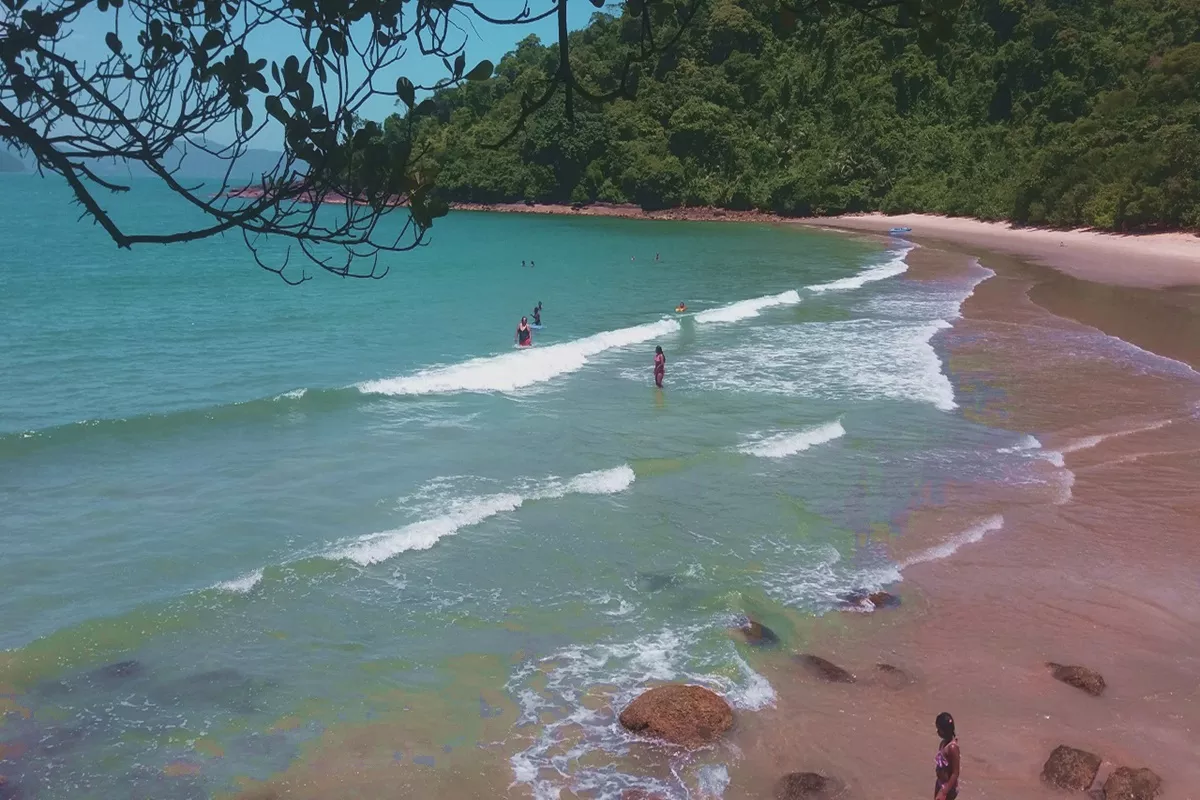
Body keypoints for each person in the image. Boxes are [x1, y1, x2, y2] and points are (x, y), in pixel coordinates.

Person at [934, 712, 960, 800]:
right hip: (940, 783)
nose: (937, 731)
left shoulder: (952, 748)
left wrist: (945, 790)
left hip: (948, 787)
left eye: (939, 729)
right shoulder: (943, 743)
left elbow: (955, 773)